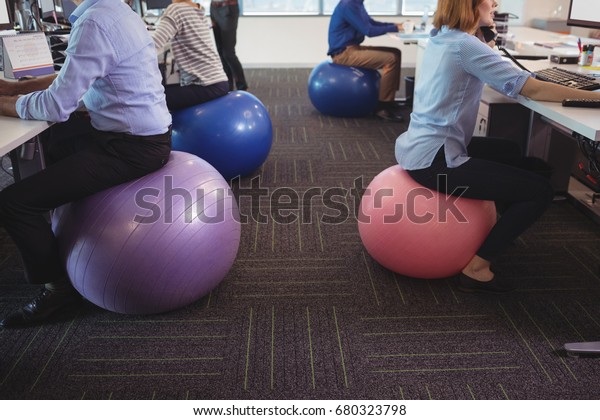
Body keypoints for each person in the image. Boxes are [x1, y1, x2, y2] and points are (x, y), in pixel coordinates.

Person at [394, 0, 600, 293]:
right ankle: (476, 268)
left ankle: (498, 231)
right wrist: (595, 96)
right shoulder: (466, 46)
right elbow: (533, 88)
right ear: (470, 5)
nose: (496, 3)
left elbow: (490, 61)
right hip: (435, 162)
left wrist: (486, 37)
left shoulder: (442, 35)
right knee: (539, 192)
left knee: (508, 151)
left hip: (418, 146)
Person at [0, 0, 172, 328]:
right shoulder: (118, 11)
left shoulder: (94, 22)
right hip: (144, 135)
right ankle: (57, 230)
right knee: (55, 139)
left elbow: (55, 105)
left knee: (13, 203)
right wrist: (15, 89)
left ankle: (58, 290)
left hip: (131, 149)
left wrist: (7, 104)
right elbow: (71, 77)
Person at [327, 0, 408, 122]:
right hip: (343, 54)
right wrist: (396, 27)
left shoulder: (357, 3)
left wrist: (396, 25)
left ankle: (389, 100)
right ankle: (382, 107)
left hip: (353, 47)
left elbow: (371, 23)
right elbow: (369, 31)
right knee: (391, 59)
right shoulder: (348, 5)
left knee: (396, 52)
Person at [151, 0, 229, 110]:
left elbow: (152, 47)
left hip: (204, 85)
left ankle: (168, 127)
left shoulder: (175, 10)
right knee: (169, 86)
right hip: (219, 82)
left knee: (153, 98)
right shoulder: (198, 8)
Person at [210, 0, 247, 91]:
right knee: (220, 52)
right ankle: (228, 86)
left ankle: (242, 86)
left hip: (228, 8)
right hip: (214, 8)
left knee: (228, 53)